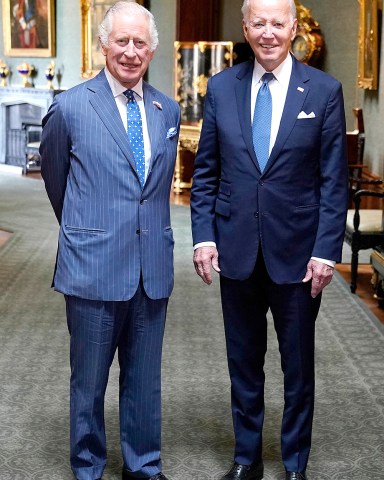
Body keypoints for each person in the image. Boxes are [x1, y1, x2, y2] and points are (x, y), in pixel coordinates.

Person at [190, 1, 348, 479]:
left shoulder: (323, 91)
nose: (268, 33)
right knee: (243, 363)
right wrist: (203, 239)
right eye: (258, 23)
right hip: (236, 251)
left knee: (297, 368)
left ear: (293, 28)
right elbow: (207, 173)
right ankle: (247, 458)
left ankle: (295, 462)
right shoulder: (221, 88)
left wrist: (325, 251)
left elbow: (332, 182)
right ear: (245, 28)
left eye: (277, 23)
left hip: (298, 256)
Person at [40, 2, 180, 480]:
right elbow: (57, 180)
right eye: (121, 40)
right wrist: (89, 229)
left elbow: (157, 189)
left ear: (152, 49)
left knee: (144, 381)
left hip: (151, 267)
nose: (131, 51)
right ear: (103, 44)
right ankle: (88, 466)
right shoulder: (70, 106)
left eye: (140, 42)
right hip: (93, 266)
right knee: (89, 381)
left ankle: (143, 465)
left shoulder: (167, 109)